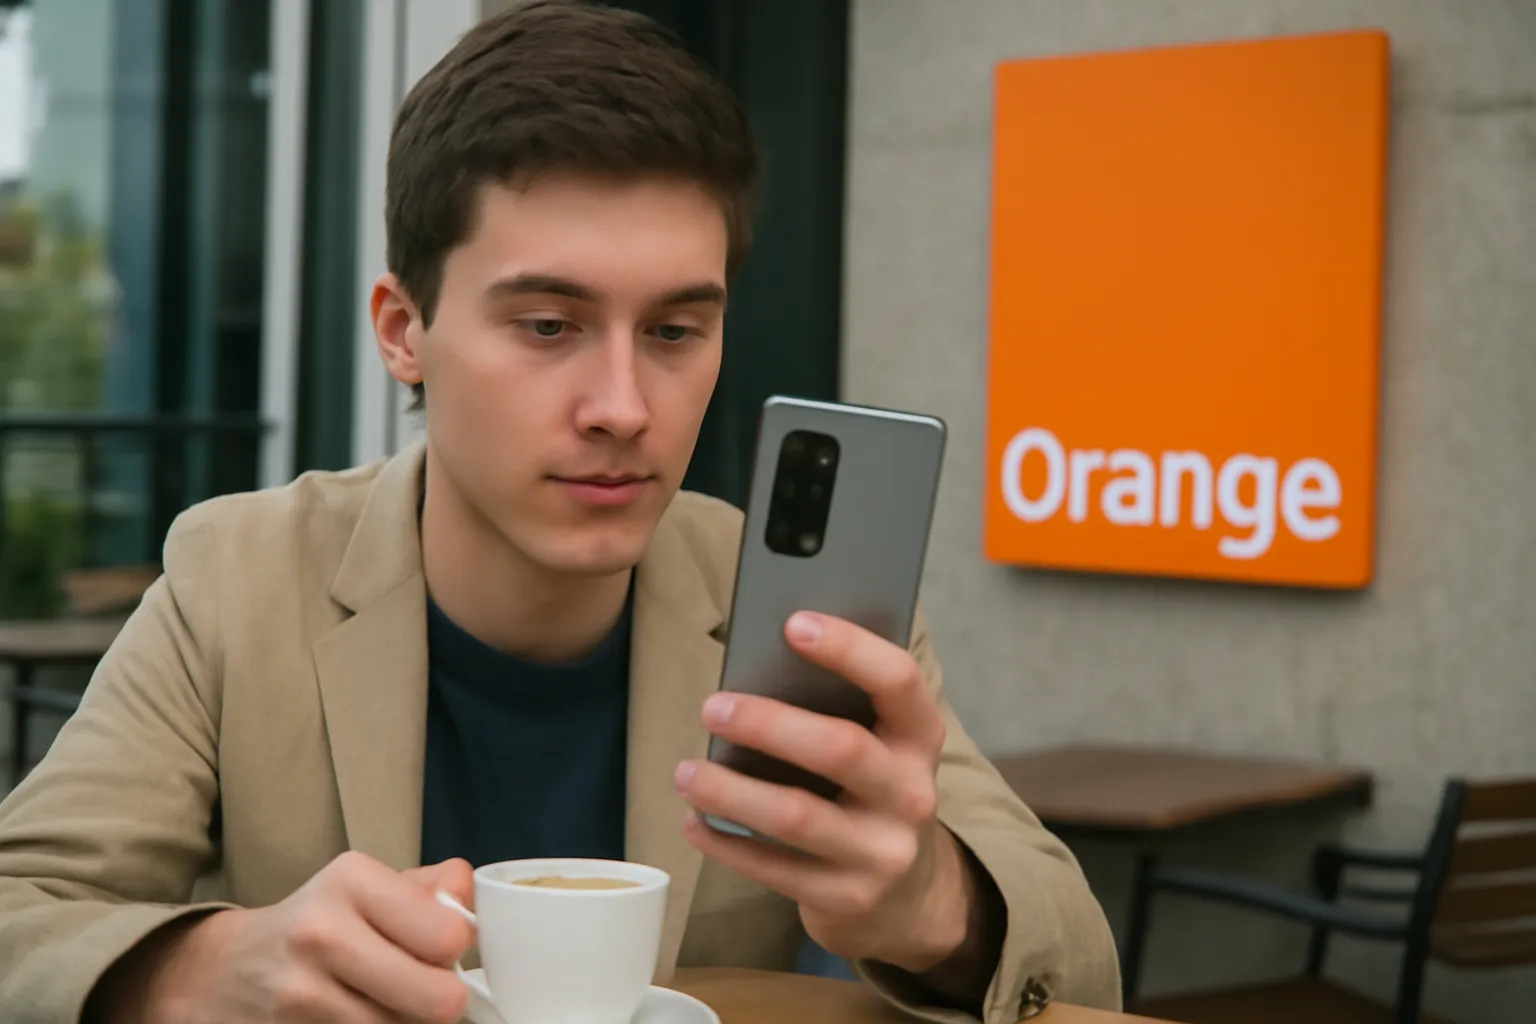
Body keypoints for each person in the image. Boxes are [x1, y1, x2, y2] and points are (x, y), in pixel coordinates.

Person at [0, 2, 1119, 1021]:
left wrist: (934, 902)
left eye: (676, 332)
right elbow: (21, 912)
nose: (624, 409)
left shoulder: (797, 613)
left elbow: (1083, 972)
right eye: (548, 325)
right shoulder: (239, 577)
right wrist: (204, 965)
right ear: (402, 331)